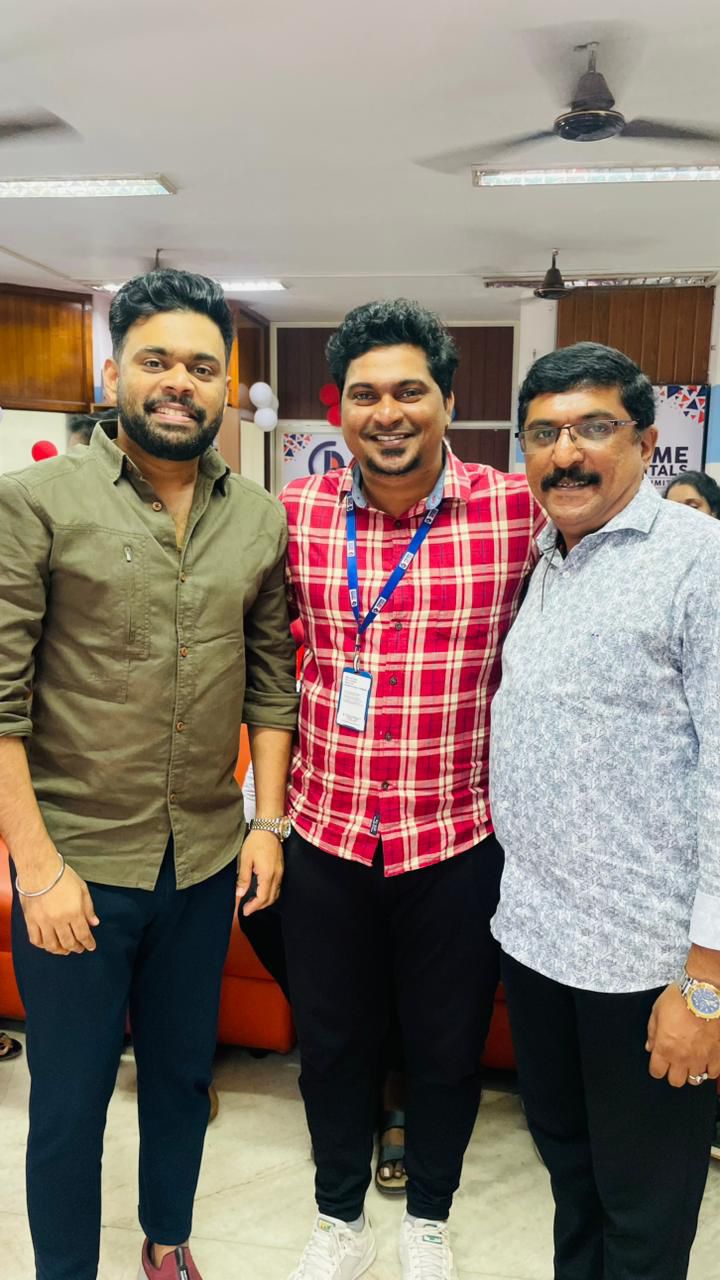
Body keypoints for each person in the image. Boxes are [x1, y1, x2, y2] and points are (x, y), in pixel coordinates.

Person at [0, 268, 298, 1280]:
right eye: (157, 361)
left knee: (179, 1077)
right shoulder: (34, 504)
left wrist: (267, 824)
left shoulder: (256, 518)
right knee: (70, 1103)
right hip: (75, 869)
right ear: (112, 373)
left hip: (205, 860)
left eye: (202, 367)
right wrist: (36, 870)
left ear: (227, 386)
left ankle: (167, 1240)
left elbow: (272, 681)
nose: (180, 382)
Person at [280, 298, 542, 1280]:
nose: (387, 412)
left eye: (409, 391)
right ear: (338, 408)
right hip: (328, 832)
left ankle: (427, 1215)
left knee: (445, 1045)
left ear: (448, 401)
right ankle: (338, 1218)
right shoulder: (296, 514)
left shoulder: (514, 511)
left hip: (457, 838)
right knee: (331, 1046)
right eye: (364, 394)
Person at [490, 341, 720, 1280]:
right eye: (543, 434)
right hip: (538, 945)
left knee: (642, 1213)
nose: (566, 453)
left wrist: (706, 983)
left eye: (593, 428)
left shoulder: (699, 562)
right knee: (573, 1182)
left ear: (647, 442)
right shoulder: (550, 556)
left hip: (649, 968)